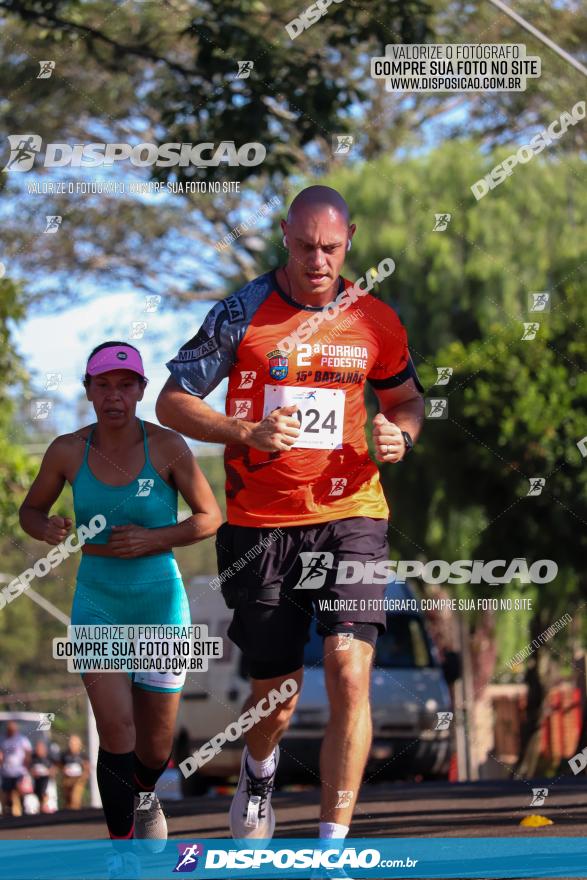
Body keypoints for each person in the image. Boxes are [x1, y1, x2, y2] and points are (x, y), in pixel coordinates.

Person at [156, 185, 424, 843]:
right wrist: (242, 432)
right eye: (303, 246)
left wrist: (402, 435)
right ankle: (257, 770)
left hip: (351, 511)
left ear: (349, 240)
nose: (316, 261)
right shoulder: (240, 313)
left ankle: (332, 841)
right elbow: (171, 402)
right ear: (284, 235)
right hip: (259, 524)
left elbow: (407, 399)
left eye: (329, 248)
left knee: (348, 668)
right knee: (276, 694)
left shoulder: (374, 319)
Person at [19, 341, 222, 876]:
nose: (115, 395)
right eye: (103, 385)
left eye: (126, 385)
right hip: (97, 599)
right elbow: (31, 510)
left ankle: (148, 793)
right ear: (88, 392)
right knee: (117, 732)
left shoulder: (169, 446)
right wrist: (46, 527)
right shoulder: (66, 450)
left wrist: (157, 538)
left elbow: (209, 517)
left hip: (160, 600)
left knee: (153, 746)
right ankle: (123, 854)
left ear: (140, 391)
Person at [0, 722, 32, 817]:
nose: (11, 731)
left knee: (20, 791)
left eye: (13, 729)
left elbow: (28, 752)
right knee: (7, 792)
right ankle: (9, 810)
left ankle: (22, 808)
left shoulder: (22, 739)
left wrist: (27, 765)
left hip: (19, 771)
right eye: (9, 730)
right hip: (6, 772)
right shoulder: (2, 739)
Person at [59, 734, 89, 810]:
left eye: (74, 743)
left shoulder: (82, 755)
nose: (71, 745)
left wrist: (84, 776)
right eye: (70, 743)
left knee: (75, 798)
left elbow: (87, 768)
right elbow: (60, 766)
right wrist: (64, 770)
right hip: (67, 779)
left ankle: (75, 814)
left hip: (78, 779)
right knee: (67, 798)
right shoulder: (64, 755)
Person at [30, 739, 56, 814]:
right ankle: (41, 806)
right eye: (37, 748)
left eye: (41, 748)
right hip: (37, 779)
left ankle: (44, 806)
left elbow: (53, 769)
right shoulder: (33, 758)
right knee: (38, 793)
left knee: (44, 792)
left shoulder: (48, 758)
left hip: (46, 779)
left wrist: (49, 772)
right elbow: (30, 768)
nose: (39, 750)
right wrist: (34, 773)